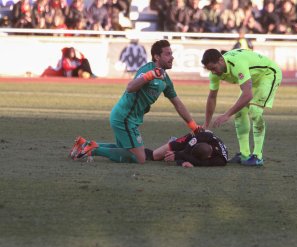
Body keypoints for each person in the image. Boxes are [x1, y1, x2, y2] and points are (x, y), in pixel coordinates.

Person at [69, 40, 203, 164]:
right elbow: (130, 87)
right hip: (124, 118)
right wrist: (150, 75)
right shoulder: (147, 70)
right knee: (140, 158)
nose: (172, 57)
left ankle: (84, 144)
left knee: (125, 148)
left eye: (171, 54)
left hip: (129, 118)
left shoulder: (165, 80)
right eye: (168, 54)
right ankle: (93, 150)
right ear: (157, 57)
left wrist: (194, 127)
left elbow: (178, 104)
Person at [201, 48, 283, 166]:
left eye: (213, 68)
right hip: (253, 79)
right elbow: (212, 98)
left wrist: (227, 114)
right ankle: (244, 154)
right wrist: (206, 124)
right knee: (240, 113)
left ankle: (258, 156)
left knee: (255, 111)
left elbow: (248, 94)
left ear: (220, 60)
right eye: (210, 70)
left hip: (268, 74)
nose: (213, 72)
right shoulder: (214, 74)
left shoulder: (237, 64)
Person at [148, 130, 228, 167]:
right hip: (190, 140)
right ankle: (174, 142)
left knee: (189, 161)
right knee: (155, 155)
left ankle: (177, 149)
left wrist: (180, 158)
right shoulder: (207, 136)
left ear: (208, 157)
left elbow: (200, 163)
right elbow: (193, 140)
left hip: (193, 149)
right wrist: (178, 154)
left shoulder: (221, 160)